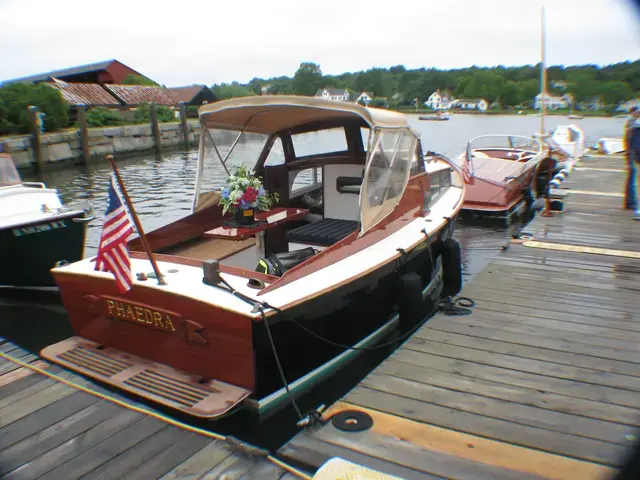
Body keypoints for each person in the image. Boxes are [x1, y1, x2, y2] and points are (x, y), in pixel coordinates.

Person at [625, 107, 640, 220]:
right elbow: (628, 139)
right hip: (635, 153)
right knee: (634, 179)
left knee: (633, 179)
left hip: (634, 153)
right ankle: (632, 204)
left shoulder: (632, 123)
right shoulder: (632, 124)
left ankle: (632, 204)